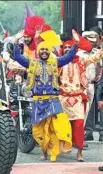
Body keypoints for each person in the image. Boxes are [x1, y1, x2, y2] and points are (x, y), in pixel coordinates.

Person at [13, 29, 80, 162]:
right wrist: (16, 41)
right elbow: (18, 58)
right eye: (42, 50)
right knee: (39, 131)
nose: (44, 52)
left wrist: (76, 44)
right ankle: (44, 152)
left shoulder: (55, 62)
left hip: (53, 100)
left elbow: (68, 57)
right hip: (38, 102)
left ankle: (54, 152)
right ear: (39, 52)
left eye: (46, 50)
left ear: (49, 51)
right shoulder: (32, 63)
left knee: (55, 128)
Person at [58, 38, 103, 162]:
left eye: (70, 47)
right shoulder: (58, 62)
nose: (67, 49)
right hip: (63, 99)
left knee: (79, 126)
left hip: (78, 98)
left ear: (75, 49)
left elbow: (95, 57)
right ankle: (60, 148)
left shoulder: (82, 61)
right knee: (62, 125)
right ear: (62, 50)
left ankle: (79, 152)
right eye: (65, 48)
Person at [83, 29, 103, 143]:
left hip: (96, 82)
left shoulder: (97, 51)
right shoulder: (79, 53)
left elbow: (100, 65)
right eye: (88, 40)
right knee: (87, 109)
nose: (90, 42)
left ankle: (102, 133)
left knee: (101, 106)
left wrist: (99, 74)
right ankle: (87, 132)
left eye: (92, 40)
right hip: (83, 84)